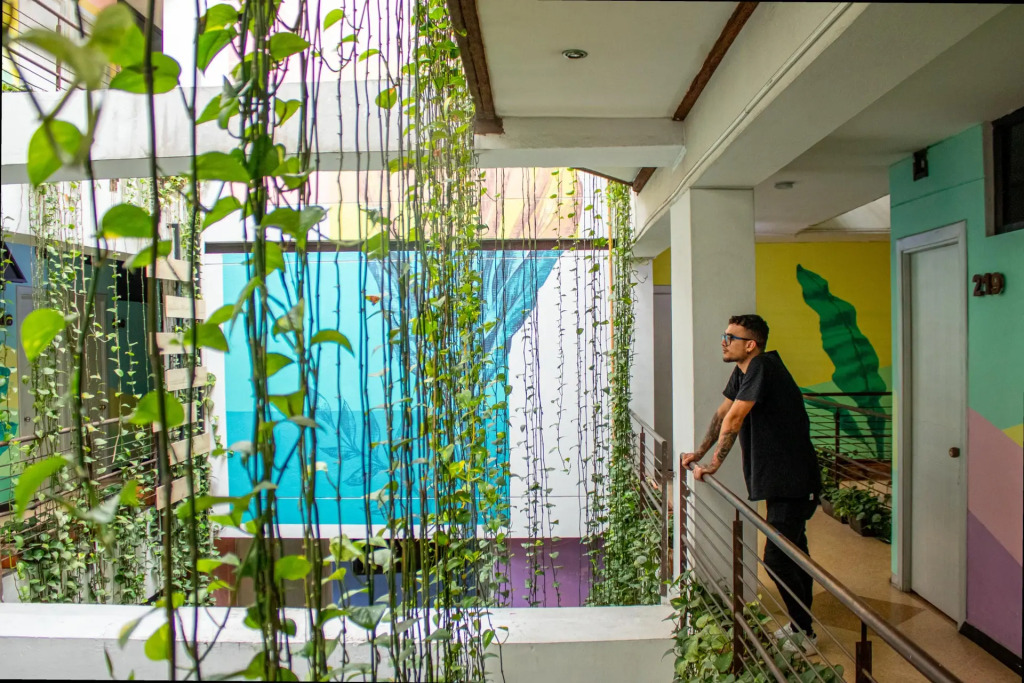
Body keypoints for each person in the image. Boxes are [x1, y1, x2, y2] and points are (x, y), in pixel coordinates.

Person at [681, 314, 821, 655]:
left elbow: (735, 417)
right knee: (795, 551)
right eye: (725, 335)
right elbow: (722, 413)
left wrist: (713, 465)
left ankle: (804, 632)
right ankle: (802, 626)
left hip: (794, 482)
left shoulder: (762, 367)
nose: (724, 341)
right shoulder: (744, 371)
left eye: (731, 337)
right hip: (781, 482)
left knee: (777, 557)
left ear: (751, 344)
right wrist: (699, 452)